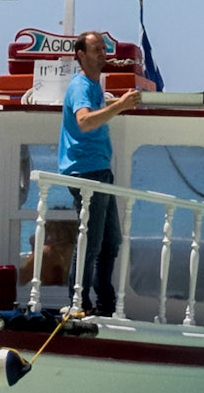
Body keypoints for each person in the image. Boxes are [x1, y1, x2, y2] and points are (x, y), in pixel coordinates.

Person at [58, 31, 141, 315]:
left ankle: (103, 298)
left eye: (104, 49)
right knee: (91, 242)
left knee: (110, 241)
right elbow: (83, 122)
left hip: (98, 171)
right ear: (81, 55)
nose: (103, 53)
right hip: (86, 172)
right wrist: (120, 105)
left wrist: (113, 104)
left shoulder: (94, 85)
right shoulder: (81, 86)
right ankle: (77, 302)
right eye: (96, 49)